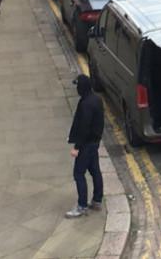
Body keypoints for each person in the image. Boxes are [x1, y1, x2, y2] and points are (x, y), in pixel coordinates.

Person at [66, 74, 104, 218]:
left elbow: (84, 127)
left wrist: (77, 147)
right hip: (94, 142)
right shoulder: (96, 99)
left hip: (86, 145)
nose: (77, 89)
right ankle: (97, 200)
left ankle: (82, 206)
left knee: (78, 173)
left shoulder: (86, 104)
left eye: (77, 86)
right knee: (95, 171)